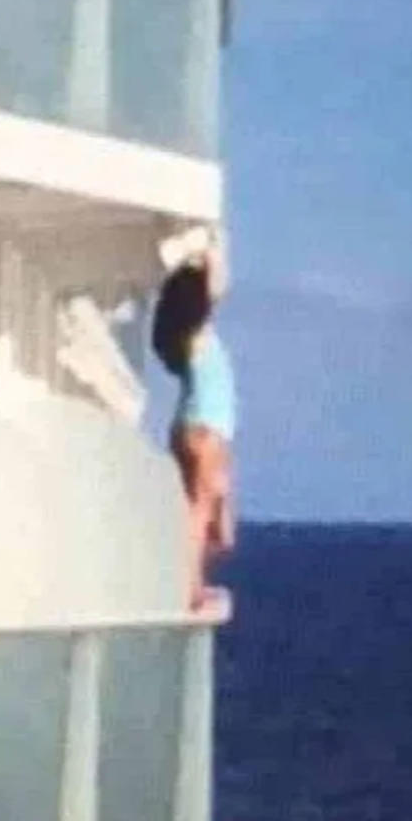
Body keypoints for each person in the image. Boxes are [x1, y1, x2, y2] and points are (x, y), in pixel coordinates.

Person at [152, 240, 236, 613]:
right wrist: (213, 245)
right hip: (205, 432)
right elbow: (217, 285)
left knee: (220, 528)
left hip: (194, 429)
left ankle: (184, 578)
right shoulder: (197, 335)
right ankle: (191, 589)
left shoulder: (183, 342)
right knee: (200, 517)